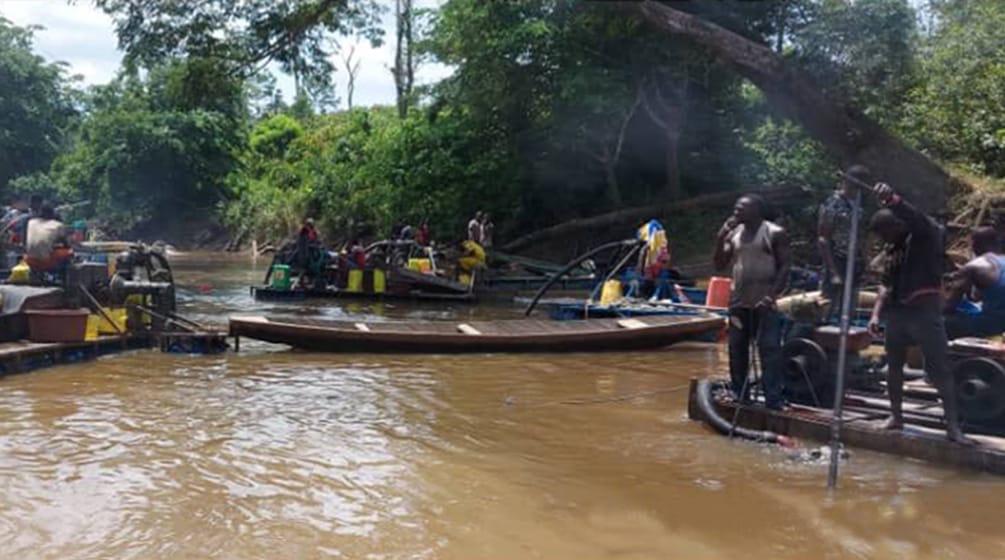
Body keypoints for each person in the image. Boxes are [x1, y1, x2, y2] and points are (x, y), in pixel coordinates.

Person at [866, 182, 970, 443]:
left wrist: (893, 200)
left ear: (897, 225)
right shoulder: (893, 250)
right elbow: (885, 285)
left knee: (940, 368)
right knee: (894, 367)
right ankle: (896, 417)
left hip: (924, 312)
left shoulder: (926, 236)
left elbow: (917, 218)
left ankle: (953, 428)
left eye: (885, 233)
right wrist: (876, 315)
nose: (883, 239)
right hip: (898, 314)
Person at [713, 194, 791, 410]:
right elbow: (720, 264)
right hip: (739, 303)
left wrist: (771, 296)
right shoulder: (734, 234)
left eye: (741, 209)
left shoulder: (774, 233)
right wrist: (720, 238)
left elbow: (785, 267)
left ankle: (774, 399)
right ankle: (741, 395)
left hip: (764, 304)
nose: (736, 212)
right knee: (737, 350)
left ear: (756, 210)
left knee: (770, 351)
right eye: (735, 208)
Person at [818, 165, 868, 323]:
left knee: (849, 305)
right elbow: (823, 238)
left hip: (854, 261)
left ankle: (844, 340)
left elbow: (862, 236)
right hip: (836, 258)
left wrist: (864, 260)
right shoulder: (833, 204)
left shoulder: (859, 205)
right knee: (829, 304)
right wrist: (833, 271)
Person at [944, 226, 1005, 339]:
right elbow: (977, 297)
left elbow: (949, 306)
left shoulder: (973, 266)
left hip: (996, 324)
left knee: (940, 323)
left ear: (974, 244)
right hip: (999, 320)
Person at [24, 204, 72, 273]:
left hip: (29, 259)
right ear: (52, 214)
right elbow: (67, 244)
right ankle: (60, 275)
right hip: (46, 261)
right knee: (69, 252)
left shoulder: (31, 222)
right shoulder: (57, 225)